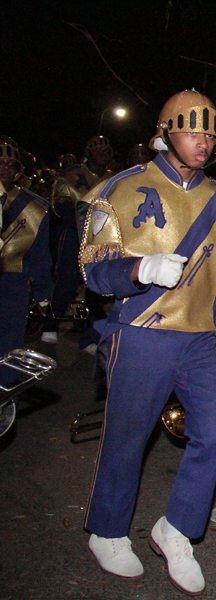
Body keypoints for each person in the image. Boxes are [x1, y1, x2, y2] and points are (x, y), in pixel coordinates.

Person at [79, 90, 216, 595]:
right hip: (142, 332)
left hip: (198, 340)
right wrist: (138, 268)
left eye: (210, 134)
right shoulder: (120, 188)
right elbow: (93, 273)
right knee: (128, 438)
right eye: (193, 131)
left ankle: (175, 528)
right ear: (166, 131)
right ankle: (107, 531)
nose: (204, 143)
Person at [0, 138, 53, 433]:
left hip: (12, 284)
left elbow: (40, 255)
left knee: (7, 351)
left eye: (10, 164)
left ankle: (4, 408)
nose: (4, 169)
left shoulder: (33, 207)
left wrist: (43, 294)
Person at [45, 135, 115, 344]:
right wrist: (84, 227)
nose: (102, 154)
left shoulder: (116, 177)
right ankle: (51, 322)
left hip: (103, 237)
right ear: (89, 152)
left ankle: (90, 335)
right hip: (74, 232)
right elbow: (61, 204)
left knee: (97, 286)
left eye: (106, 151)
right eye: (98, 150)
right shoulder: (71, 174)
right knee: (68, 279)